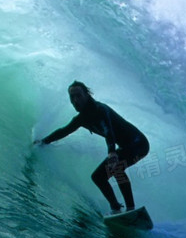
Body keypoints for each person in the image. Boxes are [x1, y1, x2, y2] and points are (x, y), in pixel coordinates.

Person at [35, 81, 150, 214]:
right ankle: (116, 208)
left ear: (87, 95)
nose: (75, 100)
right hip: (126, 147)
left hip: (139, 144)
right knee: (99, 177)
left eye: (79, 95)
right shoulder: (81, 118)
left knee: (116, 167)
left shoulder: (100, 110)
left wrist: (112, 152)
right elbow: (64, 131)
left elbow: (108, 130)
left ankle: (129, 209)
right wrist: (43, 142)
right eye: (72, 97)